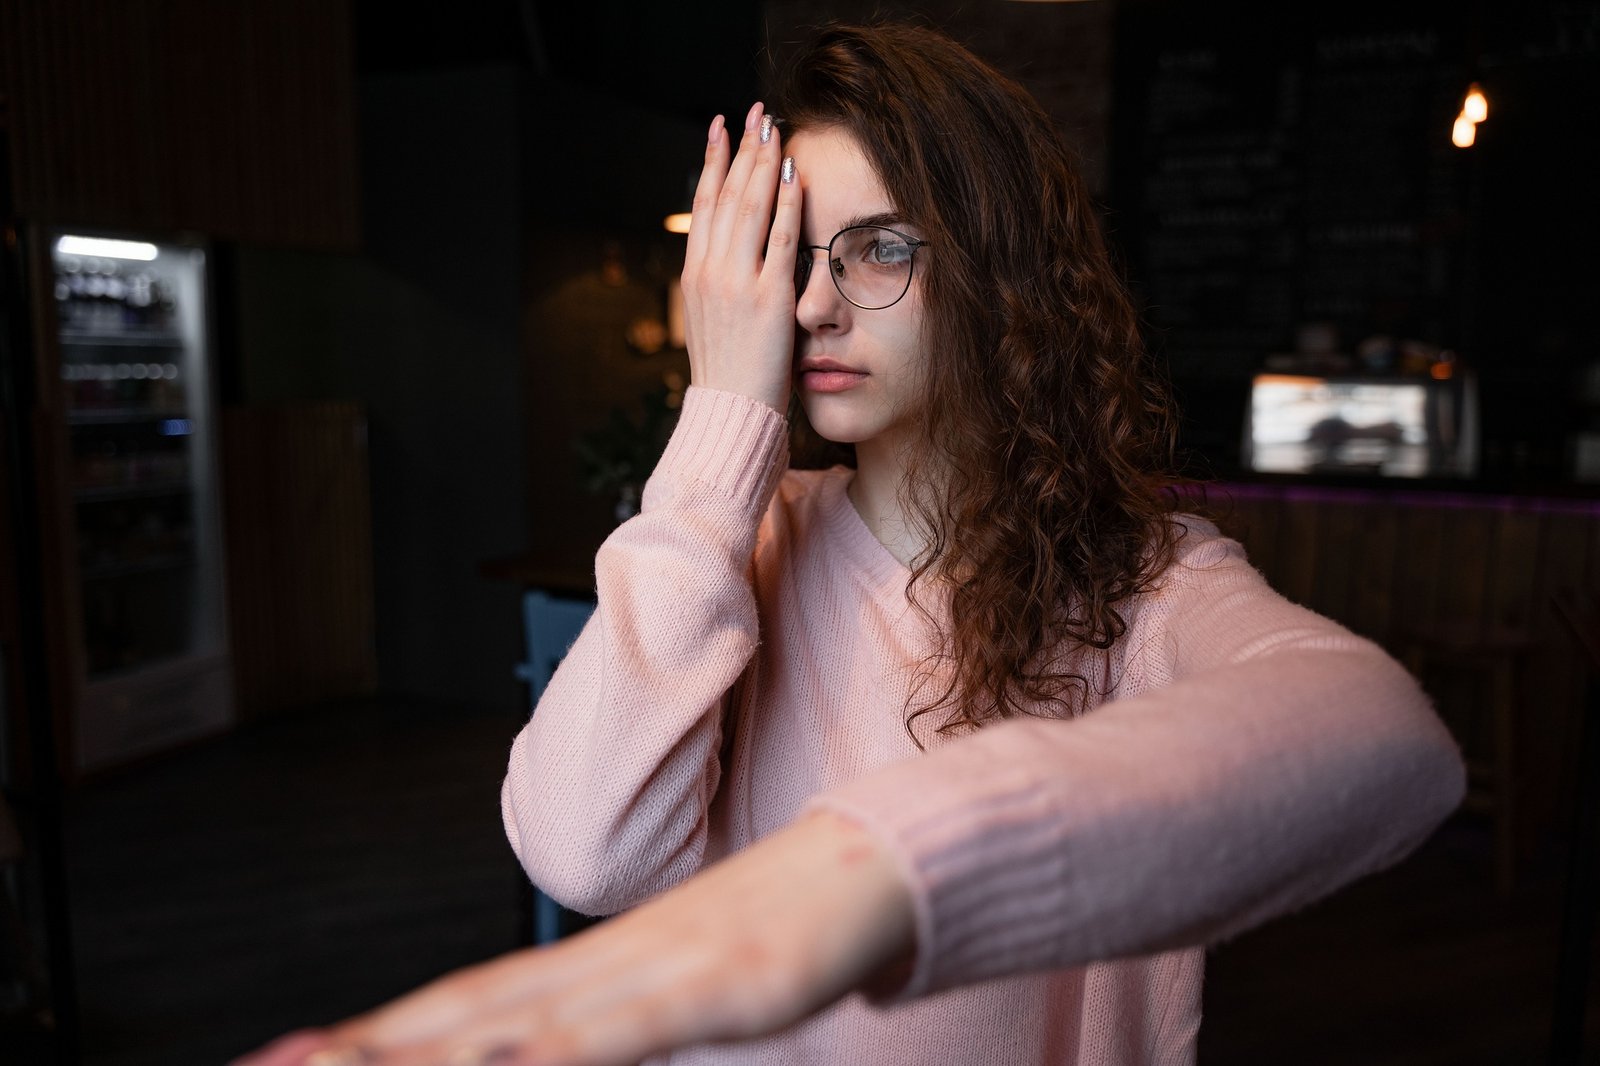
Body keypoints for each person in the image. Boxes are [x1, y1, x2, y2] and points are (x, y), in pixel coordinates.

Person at [237, 22, 1464, 1066]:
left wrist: (870, 883)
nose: (813, 303)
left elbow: (1390, 742)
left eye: (878, 247)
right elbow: (578, 853)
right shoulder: (732, 541)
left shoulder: (1146, 581)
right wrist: (721, 427)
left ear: (999, 274)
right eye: (787, 252)